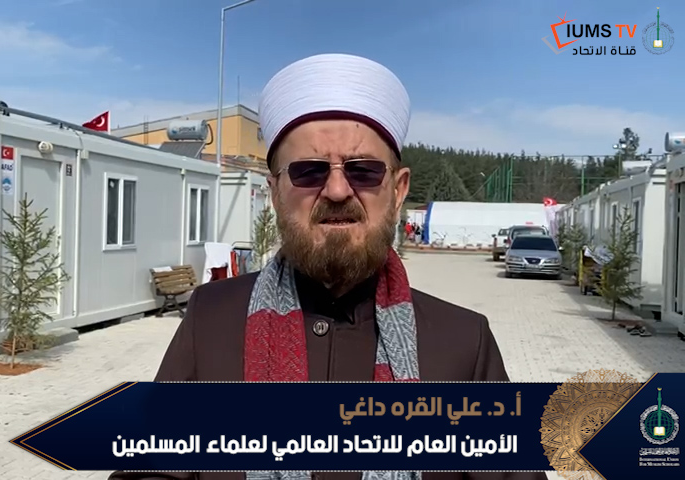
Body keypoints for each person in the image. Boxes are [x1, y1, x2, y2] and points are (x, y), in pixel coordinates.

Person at [109, 54, 547, 480]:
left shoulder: (463, 342)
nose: (337, 190)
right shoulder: (211, 320)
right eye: (309, 171)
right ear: (275, 192)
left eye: (363, 171)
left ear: (398, 191)